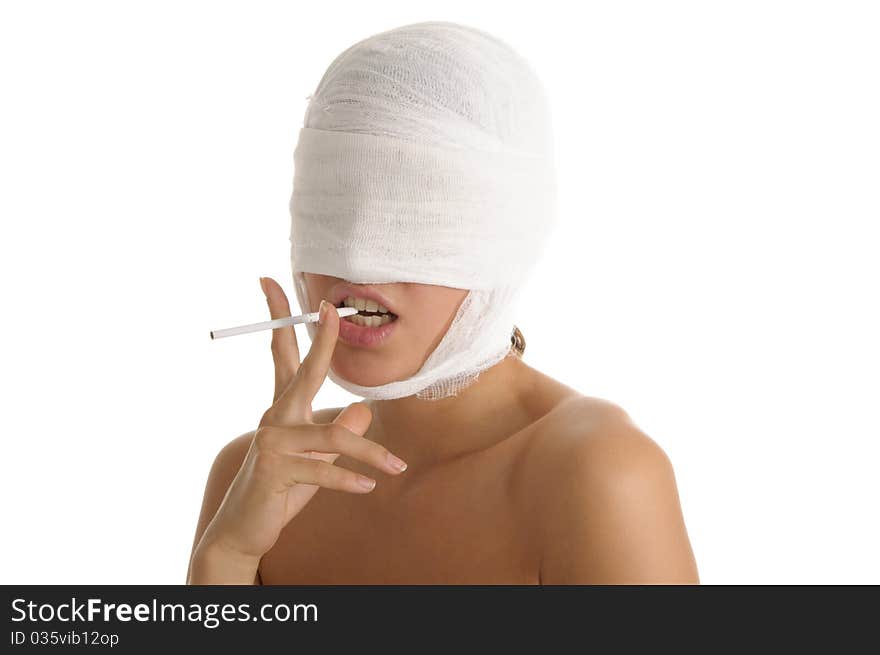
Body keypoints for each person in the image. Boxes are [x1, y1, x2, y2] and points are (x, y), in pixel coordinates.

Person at [187, 21, 699, 585]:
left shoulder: (599, 475)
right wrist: (228, 557)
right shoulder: (256, 478)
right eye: (333, 204)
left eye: (415, 214)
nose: (358, 259)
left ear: (505, 233)